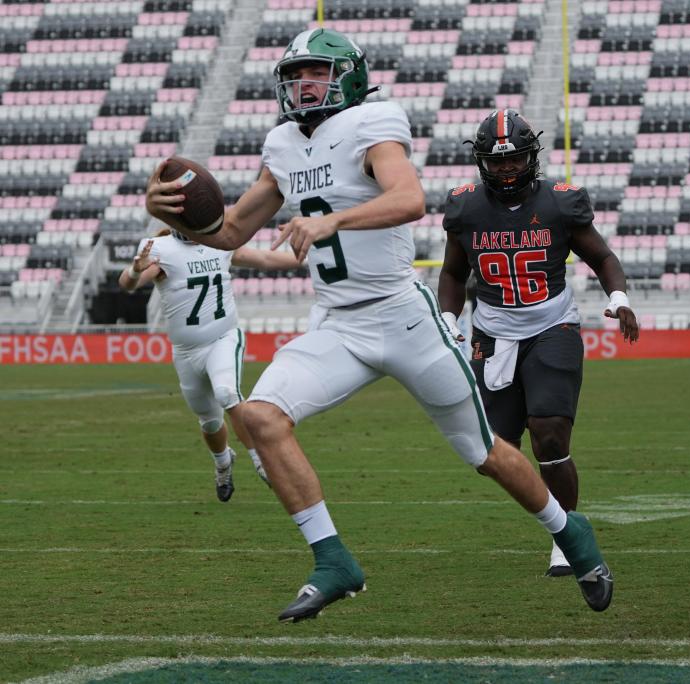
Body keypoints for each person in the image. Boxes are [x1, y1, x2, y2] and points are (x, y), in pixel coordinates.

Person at [145, 28, 613, 621]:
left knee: (484, 452)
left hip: (402, 317)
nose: (302, 85)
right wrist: (175, 220)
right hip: (337, 324)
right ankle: (333, 559)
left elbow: (410, 198)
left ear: (349, 75)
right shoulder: (283, 144)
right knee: (260, 418)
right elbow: (231, 233)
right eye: (294, 76)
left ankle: (571, 535)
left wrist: (331, 222)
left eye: (316, 73)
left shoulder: (372, 122)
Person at [438, 109, 639, 576]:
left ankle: (566, 536)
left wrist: (620, 297)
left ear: (532, 158)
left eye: (515, 161)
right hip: (493, 332)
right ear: (481, 162)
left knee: (550, 432)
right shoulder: (465, 208)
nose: (507, 170)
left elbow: (602, 256)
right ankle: (555, 517)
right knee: (493, 453)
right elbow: (452, 272)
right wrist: (449, 318)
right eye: (497, 162)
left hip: (553, 326)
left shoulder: (559, 203)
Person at [119, 227, 301, 500]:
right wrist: (135, 270)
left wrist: (309, 258)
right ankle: (223, 462)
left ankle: (263, 461)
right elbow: (129, 284)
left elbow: (264, 259)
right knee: (209, 422)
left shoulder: (221, 243)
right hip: (186, 351)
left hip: (222, 338)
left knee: (228, 393)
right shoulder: (162, 249)